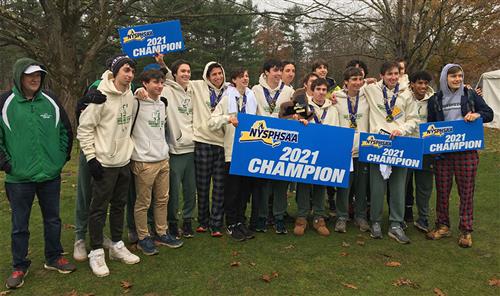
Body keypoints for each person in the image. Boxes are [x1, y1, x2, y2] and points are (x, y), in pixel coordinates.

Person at [0, 58, 76, 289]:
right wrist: (8, 165)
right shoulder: (5, 102)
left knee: (53, 219)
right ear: (18, 76)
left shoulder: (51, 100)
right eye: (29, 75)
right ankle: (19, 265)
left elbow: (66, 130)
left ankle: (54, 257)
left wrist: (59, 159)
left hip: (50, 176)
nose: (35, 79)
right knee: (19, 225)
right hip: (19, 179)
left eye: (38, 75)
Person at [78, 54, 140, 277]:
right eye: (126, 70)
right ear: (115, 72)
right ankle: (96, 251)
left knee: (119, 205)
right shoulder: (99, 97)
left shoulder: (130, 93)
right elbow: (84, 129)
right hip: (104, 162)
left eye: (132, 71)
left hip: (123, 160)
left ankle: (116, 245)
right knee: (98, 209)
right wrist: (91, 158)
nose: (130, 75)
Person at [426, 64, 493, 248]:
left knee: (466, 192)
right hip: (444, 153)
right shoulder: (435, 99)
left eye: (460, 75)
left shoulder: (470, 95)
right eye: (453, 76)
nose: (457, 79)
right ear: (444, 78)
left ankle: (465, 230)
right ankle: (443, 226)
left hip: (467, 151)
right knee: (442, 191)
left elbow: (489, 114)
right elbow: (431, 126)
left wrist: (476, 115)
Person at [363, 61, 418, 244]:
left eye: (396, 73)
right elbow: (349, 93)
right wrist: (333, 97)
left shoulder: (406, 94)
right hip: (377, 146)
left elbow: (413, 120)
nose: (393, 77)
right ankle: (376, 222)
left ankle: (396, 224)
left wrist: (401, 130)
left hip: (399, 144)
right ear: (382, 76)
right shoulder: (371, 90)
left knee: (398, 187)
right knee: (377, 188)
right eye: (389, 74)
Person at [131, 69, 183, 255]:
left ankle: (161, 233)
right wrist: (136, 91)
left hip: (163, 159)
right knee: (143, 202)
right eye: (155, 82)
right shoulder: (135, 102)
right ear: (145, 83)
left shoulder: (163, 103)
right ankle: (143, 237)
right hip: (144, 161)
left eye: (161, 82)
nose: (160, 86)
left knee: (162, 199)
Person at [208, 68, 259, 241]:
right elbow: (212, 122)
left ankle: (240, 221)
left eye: (246, 75)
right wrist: (228, 119)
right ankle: (230, 223)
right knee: (233, 191)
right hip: (231, 152)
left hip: (249, 151)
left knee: (245, 191)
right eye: (241, 76)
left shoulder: (252, 97)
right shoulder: (226, 98)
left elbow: (261, 120)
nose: (245, 78)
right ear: (234, 80)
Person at [292, 78, 339, 236]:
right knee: (304, 183)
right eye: (318, 89)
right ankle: (302, 217)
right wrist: (299, 121)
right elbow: (292, 124)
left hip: (325, 151)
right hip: (306, 151)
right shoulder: (302, 106)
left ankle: (319, 217)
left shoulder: (332, 109)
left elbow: (337, 130)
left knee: (320, 183)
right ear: (312, 90)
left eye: (324, 90)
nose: (321, 92)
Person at [252, 59, 294, 234]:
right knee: (263, 184)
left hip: (282, 143)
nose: (278, 74)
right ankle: (261, 218)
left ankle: (278, 217)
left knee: (281, 183)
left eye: (280, 71)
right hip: (261, 142)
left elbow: (297, 114)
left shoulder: (289, 91)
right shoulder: (255, 90)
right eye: (275, 70)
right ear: (266, 72)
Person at [333, 67, 370, 233]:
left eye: (360, 79)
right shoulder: (336, 99)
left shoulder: (368, 96)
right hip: (344, 150)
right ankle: (341, 216)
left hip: (363, 148)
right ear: (346, 82)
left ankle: (360, 216)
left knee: (362, 186)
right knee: (344, 185)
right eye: (353, 79)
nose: (357, 83)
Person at [402, 71, 435, 232]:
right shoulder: (404, 98)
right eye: (419, 83)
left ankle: (423, 219)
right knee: (402, 185)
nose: (423, 86)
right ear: (412, 84)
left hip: (426, 149)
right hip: (407, 147)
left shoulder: (435, 99)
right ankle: (400, 217)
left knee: (424, 187)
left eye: (425, 83)